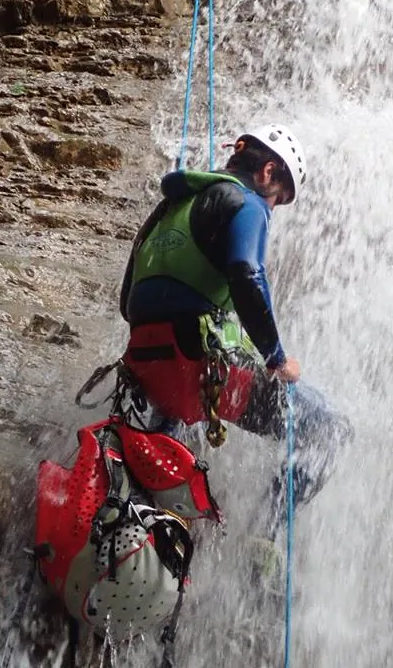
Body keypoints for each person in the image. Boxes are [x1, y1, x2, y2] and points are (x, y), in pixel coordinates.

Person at [119, 123, 352, 548]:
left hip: (149, 370)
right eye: (279, 198)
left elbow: (127, 300)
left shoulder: (175, 206)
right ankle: (265, 539)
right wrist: (276, 358)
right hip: (201, 371)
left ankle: (154, 520)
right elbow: (246, 273)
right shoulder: (248, 204)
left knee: (176, 436)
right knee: (329, 429)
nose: (274, 207)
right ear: (267, 172)